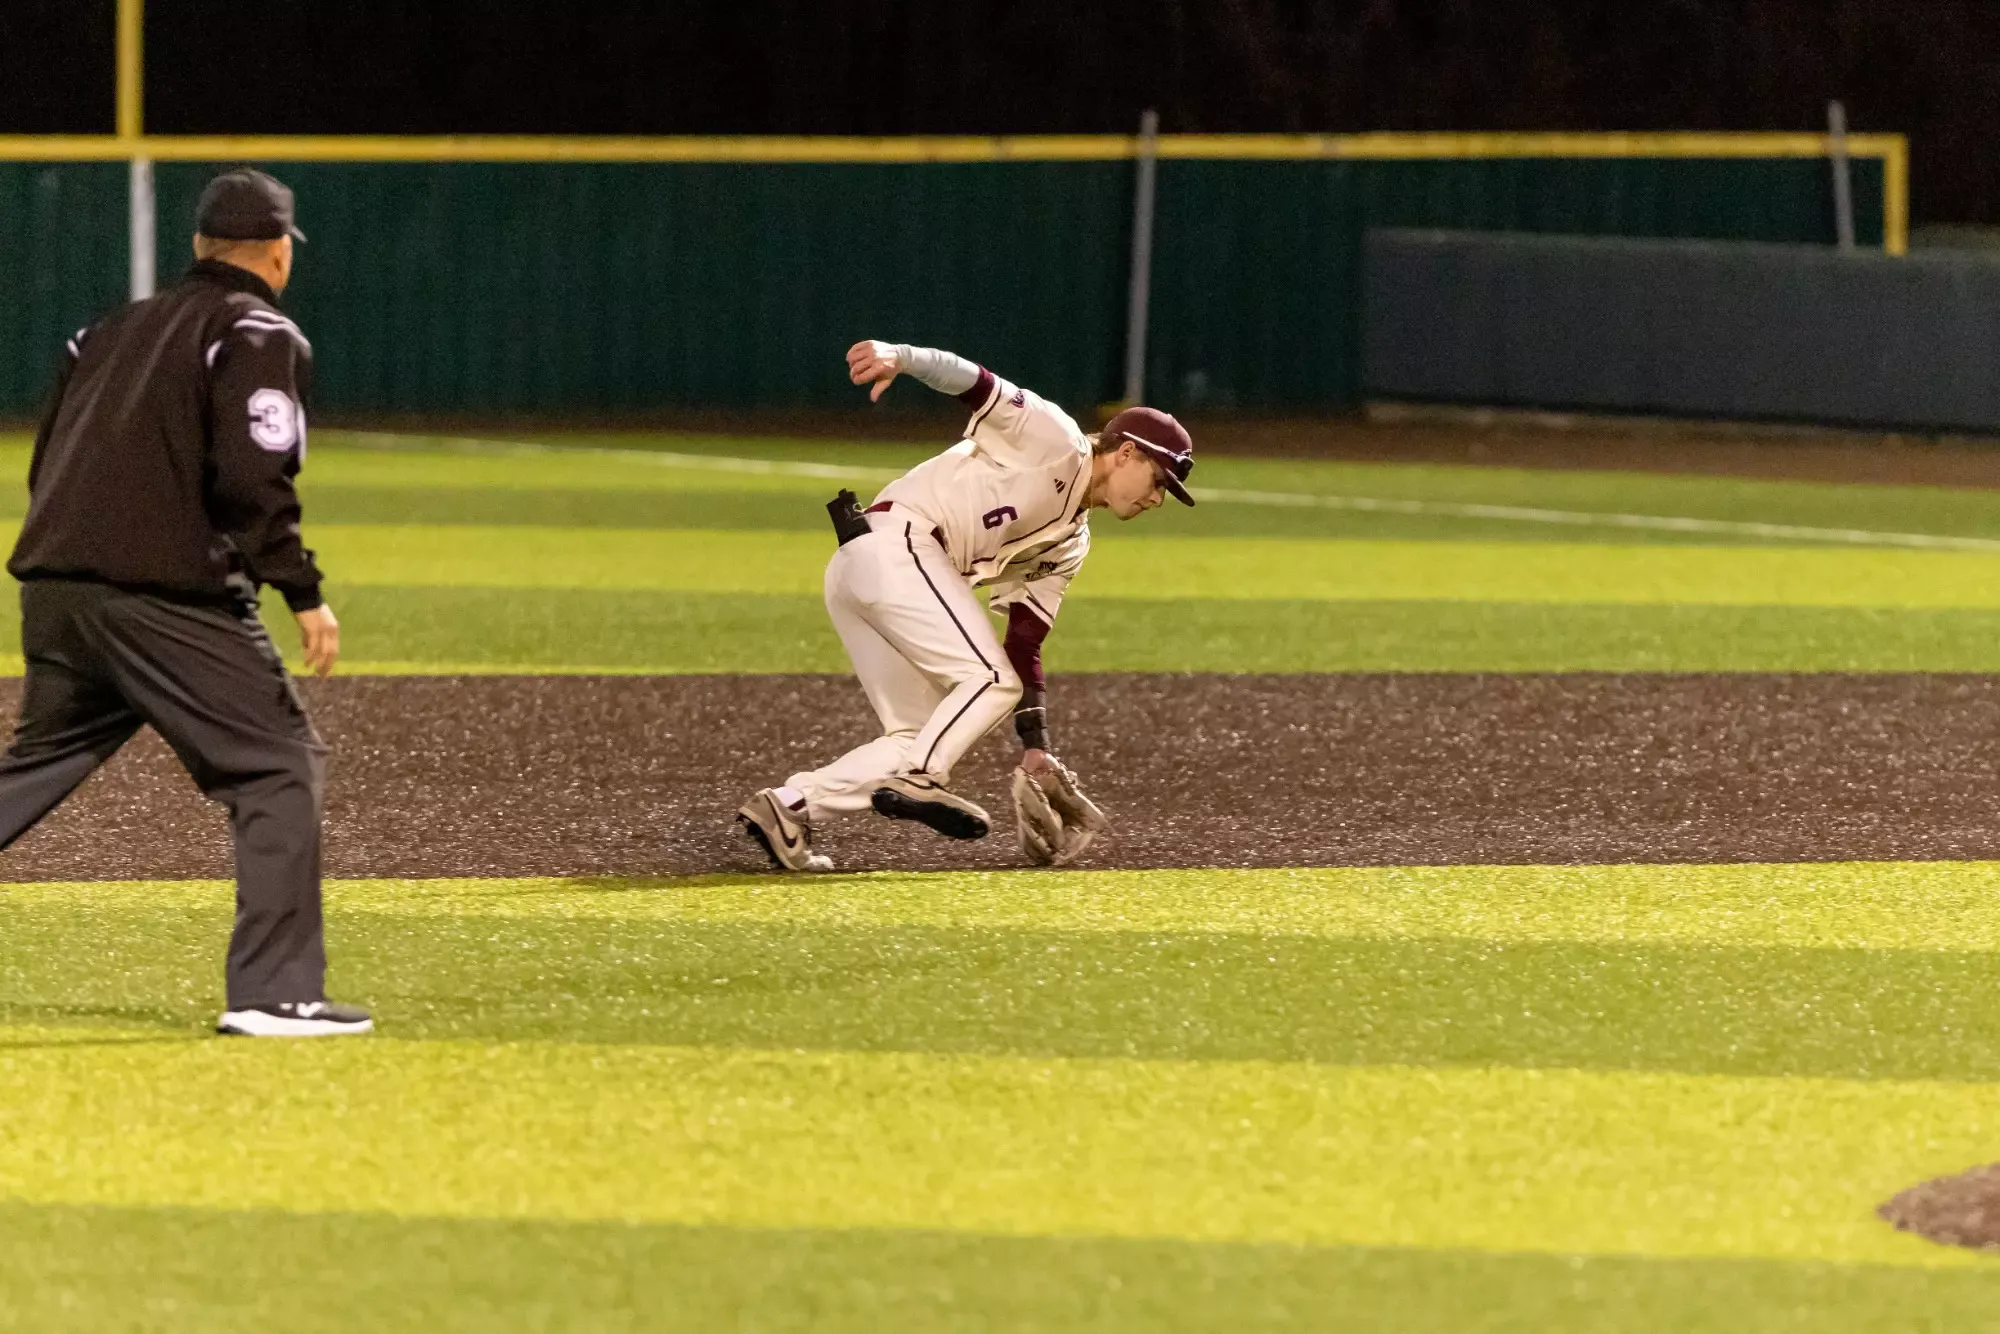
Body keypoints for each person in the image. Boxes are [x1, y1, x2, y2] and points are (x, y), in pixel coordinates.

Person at [0, 167, 370, 1037]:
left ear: (200, 246)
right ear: (277, 253)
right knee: (278, 765)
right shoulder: (256, 329)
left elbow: (45, 464)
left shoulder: (105, 330)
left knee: (34, 766)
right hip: (165, 599)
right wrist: (302, 591)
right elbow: (252, 478)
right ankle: (274, 994)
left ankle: (274, 989)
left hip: (58, 591)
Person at [737, 339, 1194, 871]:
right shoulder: (1058, 440)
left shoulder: (1072, 543)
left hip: (880, 571)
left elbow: (1024, 640)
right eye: (1160, 481)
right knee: (989, 682)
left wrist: (1035, 748)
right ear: (1127, 452)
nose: (1157, 498)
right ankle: (922, 780)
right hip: (895, 547)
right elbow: (975, 382)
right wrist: (902, 357)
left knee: (918, 732)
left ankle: (790, 807)